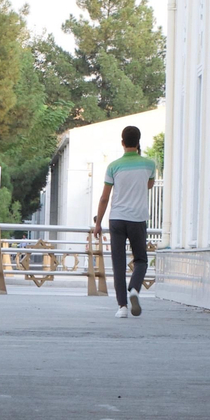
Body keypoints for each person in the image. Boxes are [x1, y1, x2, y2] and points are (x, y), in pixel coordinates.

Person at [92, 124, 156, 318]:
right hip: (137, 219)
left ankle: (122, 307)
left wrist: (98, 223)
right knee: (141, 260)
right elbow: (149, 185)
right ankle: (134, 289)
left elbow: (104, 198)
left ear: (122, 143)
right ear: (138, 142)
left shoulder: (113, 166)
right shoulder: (149, 165)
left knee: (118, 264)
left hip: (117, 219)